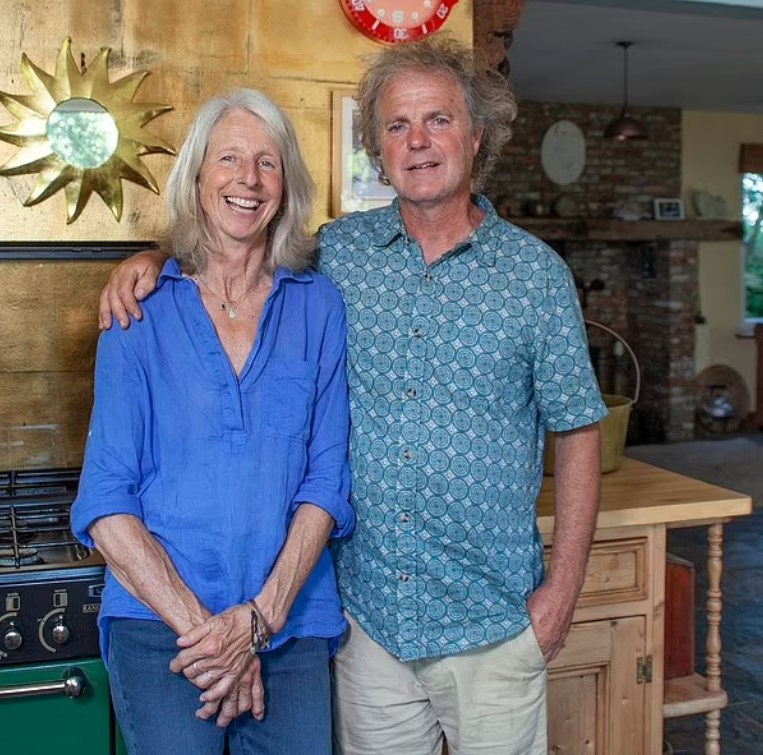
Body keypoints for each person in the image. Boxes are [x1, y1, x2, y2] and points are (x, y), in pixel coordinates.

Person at [97, 36, 607, 755]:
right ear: (374, 146)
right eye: (396, 126)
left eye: (437, 120)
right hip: (370, 629)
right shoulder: (336, 255)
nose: (418, 141)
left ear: (477, 137)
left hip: (492, 623)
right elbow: (235, 238)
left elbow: (577, 428)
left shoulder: (535, 276)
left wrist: (561, 591)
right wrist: (149, 259)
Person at [72, 88, 354, 755]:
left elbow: (326, 481)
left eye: (267, 162)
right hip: (161, 627)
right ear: (197, 178)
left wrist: (257, 622)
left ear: (287, 185)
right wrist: (213, 636)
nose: (247, 179)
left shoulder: (318, 305)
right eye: (228, 158)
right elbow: (107, 500)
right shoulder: (138, 311)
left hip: (289, 621)